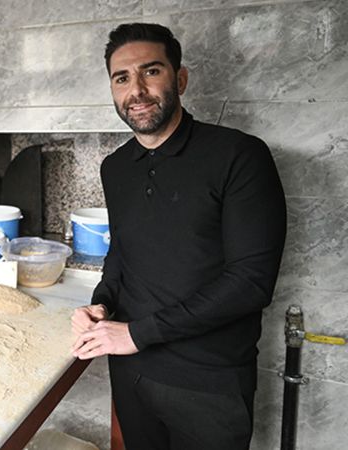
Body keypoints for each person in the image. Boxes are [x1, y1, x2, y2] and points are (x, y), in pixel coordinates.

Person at [70, 23, 286, 449]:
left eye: (151, 71)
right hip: (132, 371)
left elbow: (251, 282)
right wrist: (101, 304)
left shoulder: (239, 155)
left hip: (209, 382)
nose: (137, 90)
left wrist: (135, 334)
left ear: (180, 79)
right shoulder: (116, 167)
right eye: (122, 78)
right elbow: (122, 255)